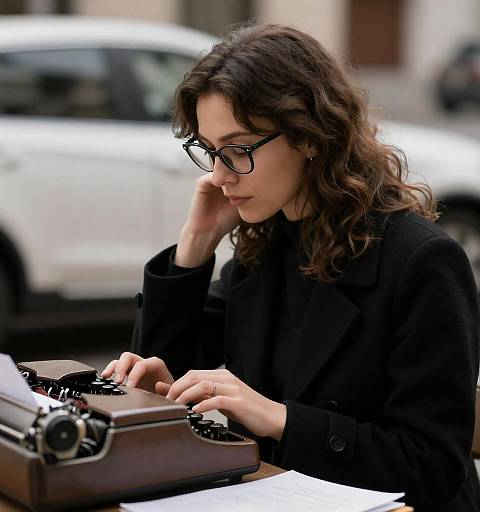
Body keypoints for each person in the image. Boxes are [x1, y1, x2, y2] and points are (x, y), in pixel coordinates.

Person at [102, 23, 480, 511]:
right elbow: (166, 371)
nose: (219, 176)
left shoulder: (422, 262)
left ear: (310, 136)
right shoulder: (266, 248)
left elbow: (432, 468)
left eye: (238, 150)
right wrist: (195, 243)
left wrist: (281, 419)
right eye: (211, 152)